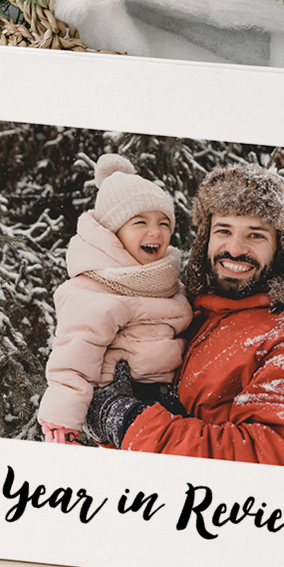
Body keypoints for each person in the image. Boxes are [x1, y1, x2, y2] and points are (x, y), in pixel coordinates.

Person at [85, 163, 284, 468]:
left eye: (256, 235)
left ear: (282, 249)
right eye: (223, 231)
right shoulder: (185, 317)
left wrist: (130, 422)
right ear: (206, 237)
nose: (235, 248)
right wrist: (113, 422)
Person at [37, 154, 193, 444]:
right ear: (113, 233)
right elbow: (74, 358)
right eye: (140, 222)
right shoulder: (94, 289)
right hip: (116, 402)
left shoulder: (168, 283)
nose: (155, 232)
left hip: (165, 400)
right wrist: (62, 423)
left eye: (164, 223)